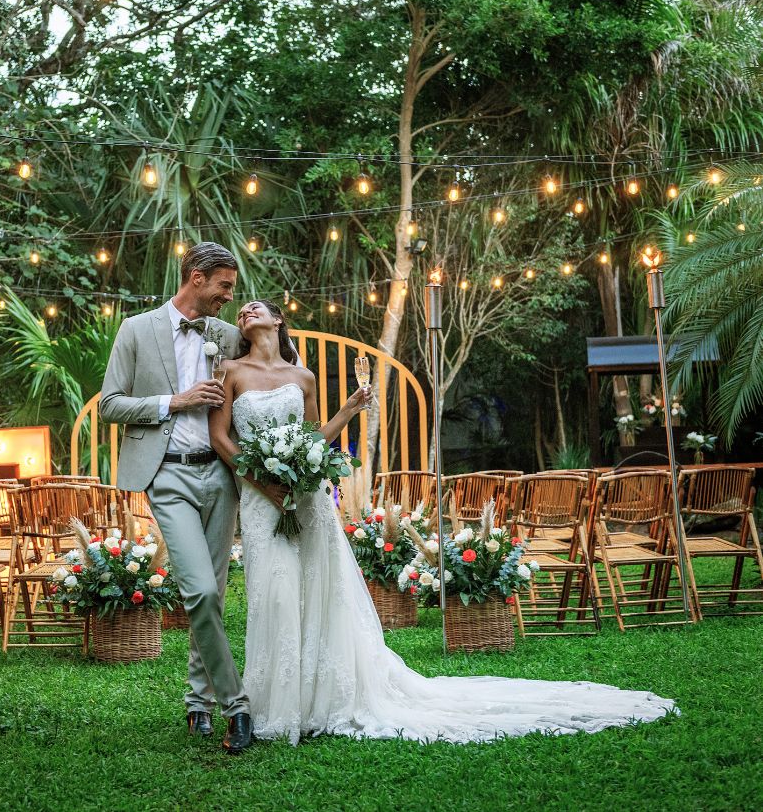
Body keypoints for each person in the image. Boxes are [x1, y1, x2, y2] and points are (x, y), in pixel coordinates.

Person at [208, 299, 678, 745]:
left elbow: (313, 439)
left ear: (276, 320)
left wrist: (350, 409)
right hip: (259, 496)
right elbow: (219, 435)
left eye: (257, 307)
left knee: (317, 589)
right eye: (242, 308)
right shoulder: (229, 371)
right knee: (272, 591)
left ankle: (318, 699)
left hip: (305, 496)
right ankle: (273, 703)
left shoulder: (302, 376)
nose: (246, 309)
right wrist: (260, 481)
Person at [100, 242, 255, 754]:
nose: (229, 298)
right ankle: (236, 706)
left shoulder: (228, 336)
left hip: (221, 477)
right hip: (167, 477)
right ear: (195, 277)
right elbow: (110, 405)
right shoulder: (135, 330)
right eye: (224, 287)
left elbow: (267, 379)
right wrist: (176, 401)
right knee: (201, 592)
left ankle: (197, 703)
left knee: (210, 589)